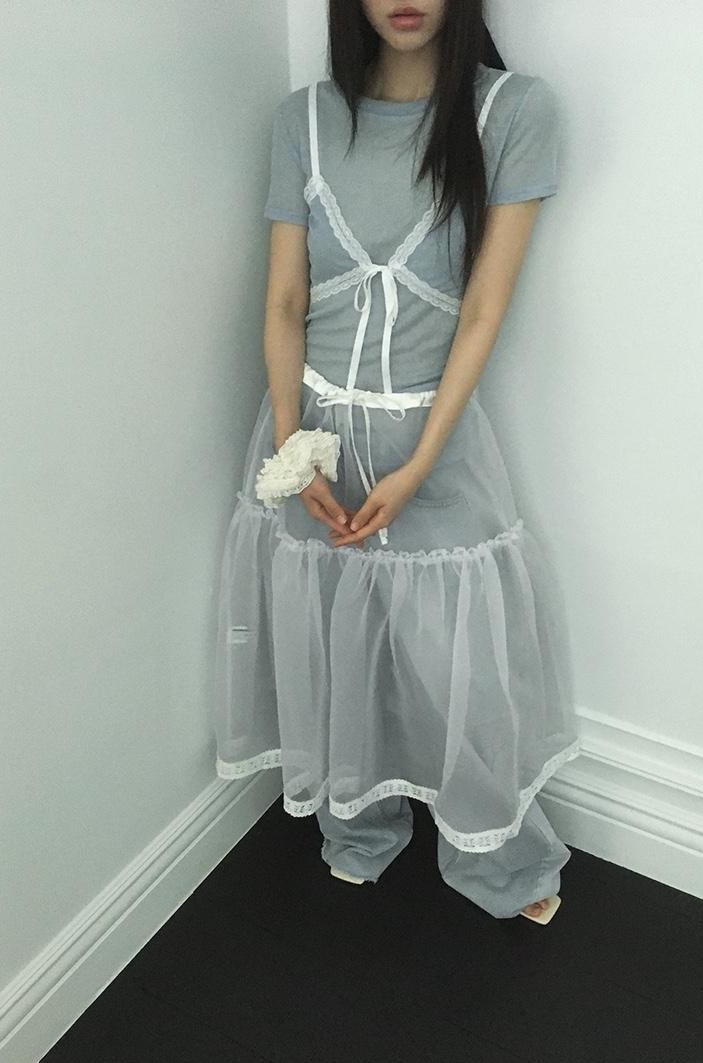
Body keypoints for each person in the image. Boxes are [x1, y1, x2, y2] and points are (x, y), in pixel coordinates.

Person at [213, 0, 581, 923]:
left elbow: (485, 309)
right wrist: (296, 451)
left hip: (431, 437)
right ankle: (360, 826)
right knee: (337, 638)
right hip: (312, 435)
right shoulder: (303, 120)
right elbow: (285, 300)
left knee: (462, 661)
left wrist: (418, 465)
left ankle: (497, 860)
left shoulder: (512, 112)